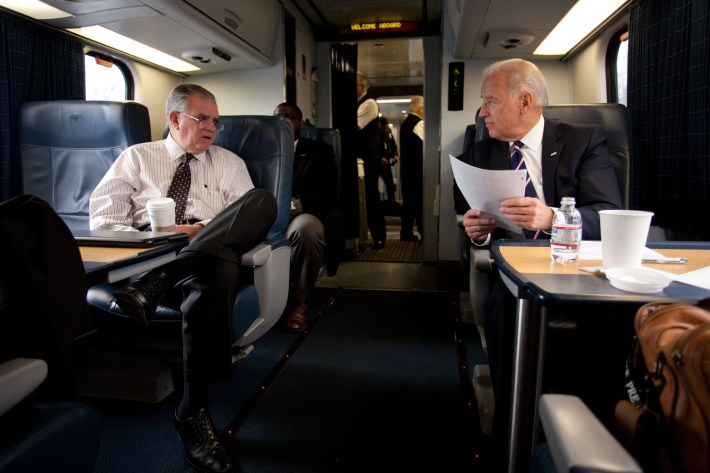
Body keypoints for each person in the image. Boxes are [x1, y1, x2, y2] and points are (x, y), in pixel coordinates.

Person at [90, 84, 277, 473]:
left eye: (216, 121)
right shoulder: (137, 158)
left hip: (206, 254)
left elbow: (247, 223)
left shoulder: (228, 162)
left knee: (260, 203)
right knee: (218, 265)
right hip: (148, 256)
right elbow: (103, 222)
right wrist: (162, 235)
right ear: (175, 119)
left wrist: (201, 232)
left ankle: (191, 408)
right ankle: (192, 411)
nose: (212, 128)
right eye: (202, 118)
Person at [453, 59, 622, 463]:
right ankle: (517, 435)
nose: (482, 112)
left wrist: (553, 217)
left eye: (490, 101)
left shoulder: (583, 141)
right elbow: (475, 216)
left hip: (581, 270)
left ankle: (600, 437)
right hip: (515, 275)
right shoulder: (481, 150)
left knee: (612, 324)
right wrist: (478, 228)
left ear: (525, 101)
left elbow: (606, 214)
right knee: (504, 309)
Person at [273, 103, 343, 332]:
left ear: (300, 124)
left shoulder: (318, 151)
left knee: (308, 230)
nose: (283, 120)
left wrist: (298, 202)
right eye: (278, 116)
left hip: (301, 213)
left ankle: (299, 302)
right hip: (265, 213)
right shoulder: (261, 148)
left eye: (289, 117)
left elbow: (331, 195)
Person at [356, 71, 387, 250]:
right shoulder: (360, 103)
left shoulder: (368, 103)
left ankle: (379, 237)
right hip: (365, 158)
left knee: (371, 197)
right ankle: (367, 237)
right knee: (366, 198)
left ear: (362, 87)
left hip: (369, 158)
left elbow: (355, 127)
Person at [399, 95, 424, 241]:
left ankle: (406, 233)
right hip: (417, 170)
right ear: (421, 109)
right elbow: (428, 146)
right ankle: (423, 232)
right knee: (419, 202)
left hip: (406, 170)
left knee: (408, 203)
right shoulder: (418, 124)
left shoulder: (405, 123)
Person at [378, 116, 399, 213]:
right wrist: (379, 158)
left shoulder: (388, 130)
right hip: (376, 163)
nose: (384, 127)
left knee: (389, 183)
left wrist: (395, 155)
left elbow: (393, 144)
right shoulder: (374, 132)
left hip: (386, 162)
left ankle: (392, 202)